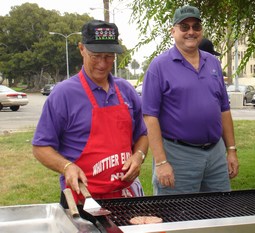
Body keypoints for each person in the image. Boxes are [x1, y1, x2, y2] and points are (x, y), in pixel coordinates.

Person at [32, 20, 148, 204]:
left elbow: (142, 135)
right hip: (83, 197)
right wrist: (67, 166)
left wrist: (139, 156)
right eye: (96, 56)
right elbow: (40, 147)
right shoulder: (64, 94)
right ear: (81, 49)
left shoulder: (126, 90)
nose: (103, 63)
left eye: (109, 56)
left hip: (125, 195)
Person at [142, 5, 239, 195]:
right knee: (177, 217)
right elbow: (149, 117)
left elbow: (224, 109)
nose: (191, 32)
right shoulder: (159, 66)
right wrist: (161, 162)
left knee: (220, 214)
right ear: (173, 31)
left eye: (196, 26)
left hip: (215, 155)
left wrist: (231, 150)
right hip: (178, 155)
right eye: (184, 27)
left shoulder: (213, 63)